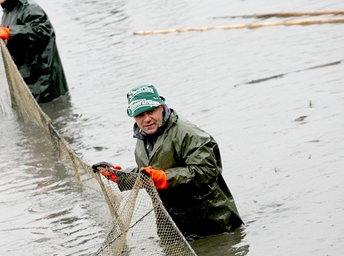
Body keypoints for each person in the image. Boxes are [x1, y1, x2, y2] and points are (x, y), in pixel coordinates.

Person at [92, 84, 243, 239]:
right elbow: (149, 175)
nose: (147, 119)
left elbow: (208, 170)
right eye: (140, 115)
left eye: (151, 112)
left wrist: (165, 178)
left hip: (211, 225)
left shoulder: (187, 133)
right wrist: (120, 176)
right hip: (173, 226)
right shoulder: (142, 137)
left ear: (162, 107)